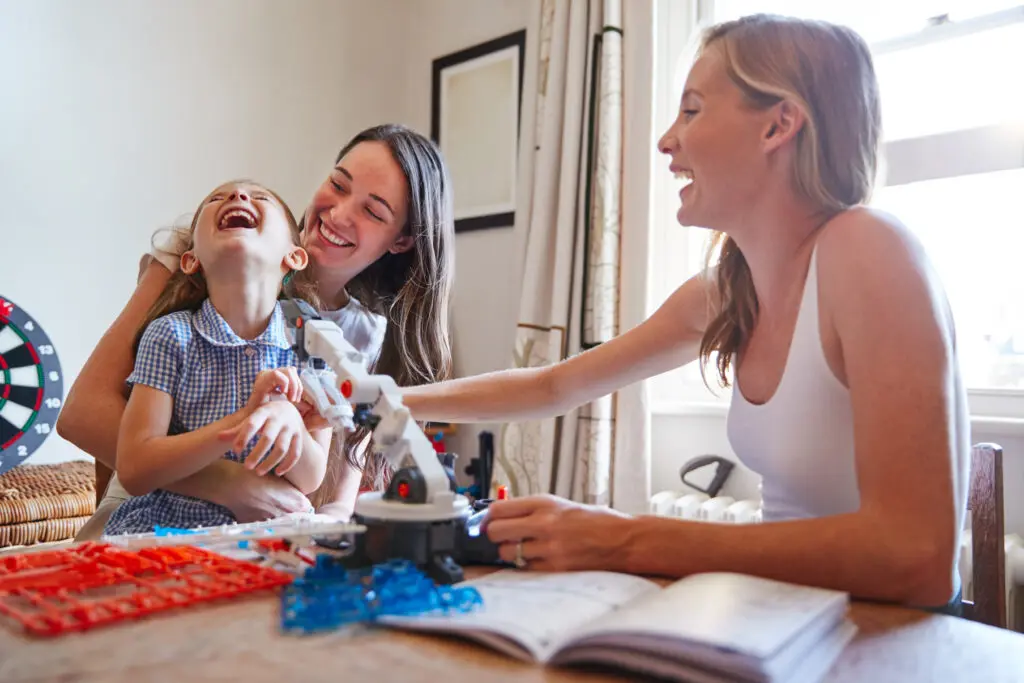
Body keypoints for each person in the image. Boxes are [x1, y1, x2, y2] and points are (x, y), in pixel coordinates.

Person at [402, 14, 969, 613]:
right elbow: (554, 384)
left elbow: (918, 557)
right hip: (787, 621)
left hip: (892, 642)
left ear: (779, 125)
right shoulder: (728, 290)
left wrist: (624, 538)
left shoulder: (868, 249)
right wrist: (386, 399)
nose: (667, 140)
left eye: (692, 111)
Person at [57, 124, 455, 537]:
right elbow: (81, 416)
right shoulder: (200, 246)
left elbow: (332, 492)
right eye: (338, 184)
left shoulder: (353, 335)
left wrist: (324, 521)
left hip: (257, 531)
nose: (337, 213)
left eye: (373, 211)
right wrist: (227, 482)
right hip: (146, 511)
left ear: (402, 240)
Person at [104, 179, 333, 534]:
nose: (238, 196)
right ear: (191, 259)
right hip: (167, 530)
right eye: (216, 198)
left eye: (258, 197)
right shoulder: (169, 335)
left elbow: (311, 478)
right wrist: (245, 418)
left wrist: (289, 422)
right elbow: (134, 470)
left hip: (264, 532)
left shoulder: (312, 336)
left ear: (295, 256)